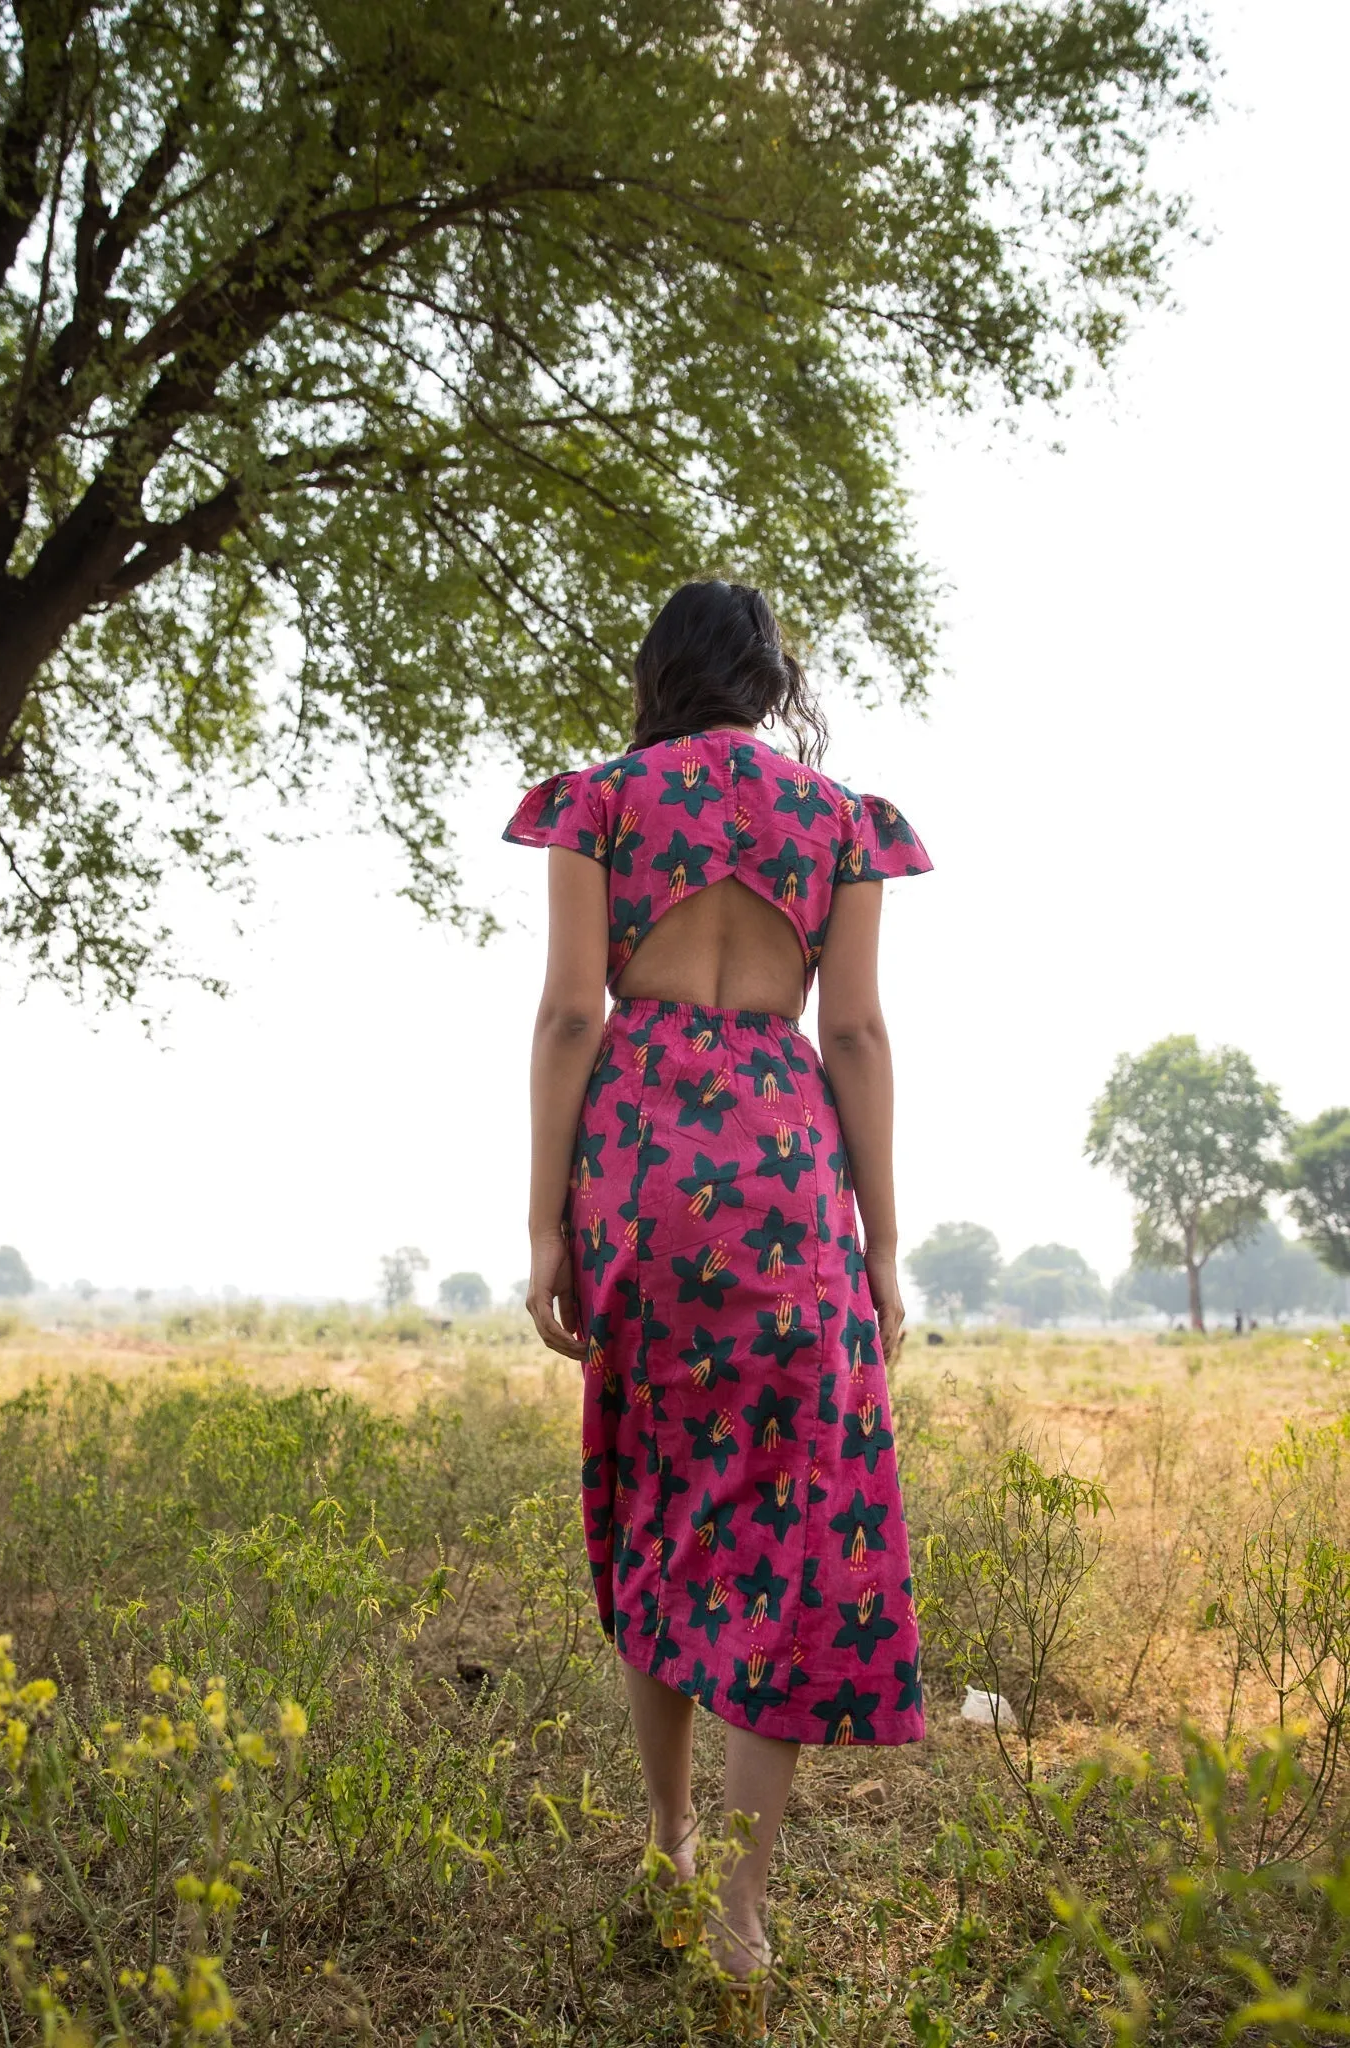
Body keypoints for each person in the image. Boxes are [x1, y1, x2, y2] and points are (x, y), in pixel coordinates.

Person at [504, 580, 931, 2037]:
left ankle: (666, 1845)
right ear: (768, 679)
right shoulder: (842, 820)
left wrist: (547, 1220)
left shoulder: (601, 804)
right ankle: (742, 1904)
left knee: (660, 1504)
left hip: (644, 1177)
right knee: (785, 1527)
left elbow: (572, 1013)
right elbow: (858, 1031)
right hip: (791, 1185)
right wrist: (879, 1246)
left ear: (662, 672)